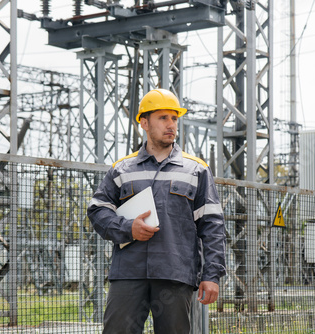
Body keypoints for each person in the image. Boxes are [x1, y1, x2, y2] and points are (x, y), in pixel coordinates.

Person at [87, 88, 226, 334]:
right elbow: (98, 210)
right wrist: (127, 228)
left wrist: (211, 275)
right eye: (163, 118)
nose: (171, 125)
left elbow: (212, 225)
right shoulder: (122, 169)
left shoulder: (196, 170)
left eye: (174, 118)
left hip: (175, 273)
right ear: (144, 122)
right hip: (128, 273)